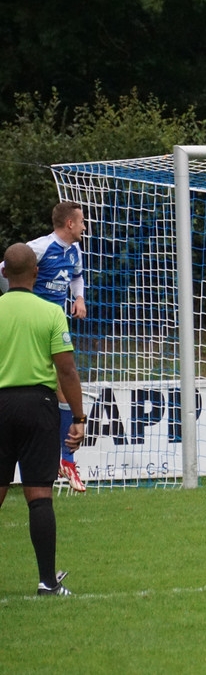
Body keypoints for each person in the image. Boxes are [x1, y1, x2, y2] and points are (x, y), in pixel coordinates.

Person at [0, 243, 86, 596]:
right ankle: (47, 582)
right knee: (39, 495)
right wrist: (78, 417)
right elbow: (66, 370)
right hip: (39, 405)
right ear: (36, 273)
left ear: (4, 273)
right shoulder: (51, 313)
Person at [0, 202, 89, 492]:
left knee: (61, 389)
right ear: (69, 224)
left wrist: (79, 298)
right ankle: (65, 459)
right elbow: (6, 268)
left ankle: (65, 460)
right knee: (61, 385)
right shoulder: (38, 248)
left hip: (55, 326)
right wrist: (16, 300)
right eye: (81, 221)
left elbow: (77, 276)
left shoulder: (75, 251)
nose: (84, 226)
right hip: (35, 327)